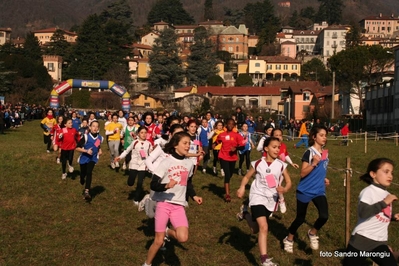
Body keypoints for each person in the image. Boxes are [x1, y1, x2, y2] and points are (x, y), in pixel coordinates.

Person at [142, 132, 202, 266]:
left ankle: (167, 232)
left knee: (183, 237)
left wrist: (194, 196)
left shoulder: (189, 164)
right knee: (158, 241)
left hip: (178, 205)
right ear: (175, 145)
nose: (188, 146)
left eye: (189, 143)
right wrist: (166, 185)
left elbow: (188, 183)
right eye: (185, 143)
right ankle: (147, 263)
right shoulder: (166, 162)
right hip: (163, 203)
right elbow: (153, 184)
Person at [237, 137, 292, 266]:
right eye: (274, 147)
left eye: (279, 147)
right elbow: (247, 176)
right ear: (266, 148)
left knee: (255, 229)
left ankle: (245, 214)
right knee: (264, 227)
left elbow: (289, 182)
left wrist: (284, 189)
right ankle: (264, 259)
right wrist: (242, 187)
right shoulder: (257, 163)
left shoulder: (281, 165)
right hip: (257, 197)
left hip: (271, 199)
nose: (277, 149)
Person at [343, 158, 399, 266]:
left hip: (379, 241)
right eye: (386, 172)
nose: (390, 176)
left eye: (391, 173)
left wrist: (393, 217)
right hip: (363, 240)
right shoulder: (369, 191)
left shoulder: (386, 193)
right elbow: (363, 212)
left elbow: (380, 213)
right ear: (373, 174)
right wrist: (385, 202)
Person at [283, 126, 329, 253]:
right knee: (300, 219)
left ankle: (312, 233)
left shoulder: (325, 152)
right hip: (305, 190)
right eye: (321, 135)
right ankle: (289, 238)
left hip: (319, 190)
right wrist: (313, 163)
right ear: (314, 137)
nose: (324, 137)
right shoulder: (309, 153)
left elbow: (322, 169)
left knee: (324, 216)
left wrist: (324, 179)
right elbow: (302, 173)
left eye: (325, 135)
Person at [115, 126, 153, 205]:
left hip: (143, 166)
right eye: (142, 133)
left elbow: (151, 155)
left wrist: (151, 166)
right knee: (130, 182)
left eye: (145, 133)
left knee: (140, 183)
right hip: (134, 165)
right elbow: (127, 151)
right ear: (138, 133)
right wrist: (120, 157)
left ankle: (136, 199)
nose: (144, 134)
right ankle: (130, 182)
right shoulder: (135, 142)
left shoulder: (149, 144)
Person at [213, 118, 245, 202]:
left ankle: (226, 184)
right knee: (227, 174)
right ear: (226, 125)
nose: (230, 125)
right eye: (229, 124)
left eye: (232, 124)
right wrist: (213, 144)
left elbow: (242, 146)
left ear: (234, 126)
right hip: (223, 156)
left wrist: (236, 148)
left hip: (233, 158)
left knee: (230, 174)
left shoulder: (237, 135)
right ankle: (227, 195)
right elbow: (217, 141)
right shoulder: (222, 134)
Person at [75, 120, 103, 200]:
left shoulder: (100, 138)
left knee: (89, 172)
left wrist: (99, 150)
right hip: (84, 158)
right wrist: (86, 151)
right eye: (93, 126)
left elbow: (97, 145)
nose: (95, 128)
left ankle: (87, 191)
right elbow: (77, 147)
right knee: (83, 173)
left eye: (97, 126)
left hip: (93, 158)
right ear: (90, 127)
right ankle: (81, 177)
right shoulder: (86, 137)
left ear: (98, 128)